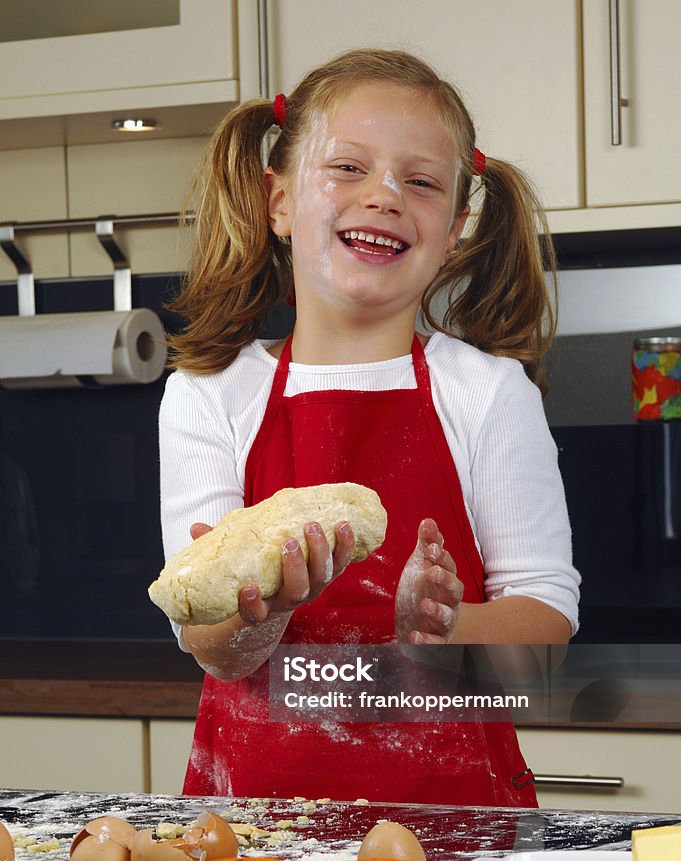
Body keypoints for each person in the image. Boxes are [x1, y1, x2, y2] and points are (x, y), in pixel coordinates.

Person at [158, 49, 580, 805]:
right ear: (278, 201)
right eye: (347, 168)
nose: (383, 195)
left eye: (419, 182)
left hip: (456, 829)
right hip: (256, 823)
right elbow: (211, 645)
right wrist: (265, 614)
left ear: (452, 229)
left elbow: (543, 627)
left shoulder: (486, 393)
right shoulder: (211, 393)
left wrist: (444, 631)